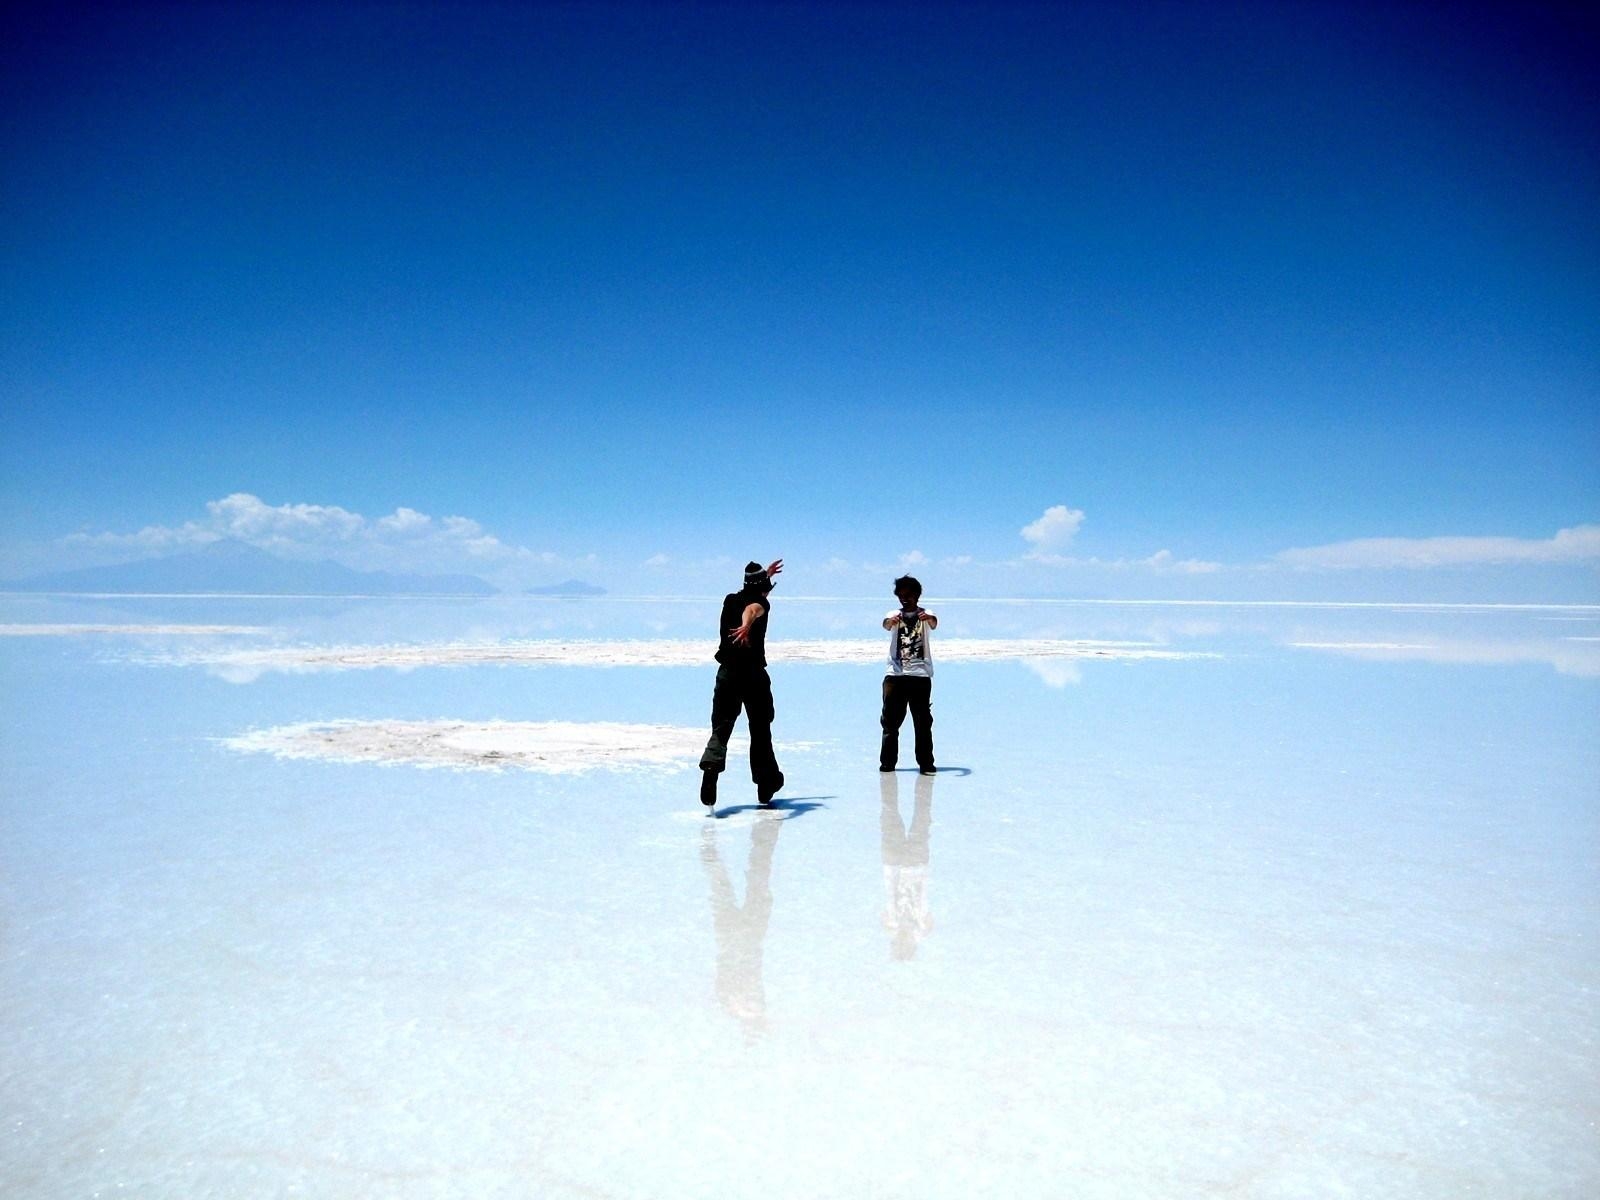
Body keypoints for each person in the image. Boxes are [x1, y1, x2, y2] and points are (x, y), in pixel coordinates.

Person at [699, 559, 785, 809]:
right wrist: (746, 625)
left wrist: (765, 576)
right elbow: (753, 609)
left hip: (727, 673)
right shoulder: (760, 604)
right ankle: (766, 782)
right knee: (760, 728)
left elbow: (754, 596)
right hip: (753, 676)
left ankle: (711, 770)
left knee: (721, 727)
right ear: (761, 587)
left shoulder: (730, 600)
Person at [880, 574, 937, 774]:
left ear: (917, 595)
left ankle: (926, 763)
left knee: (922, 723)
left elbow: (934, 622)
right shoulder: (894, 614)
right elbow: (886, 624)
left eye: (908, 595)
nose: (904, 599)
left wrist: (928, 618)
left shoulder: (926, 613)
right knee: (890, 723)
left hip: (920, 675)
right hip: (895, 676)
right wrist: (891, 621)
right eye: (901, 595)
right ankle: (887, 764)